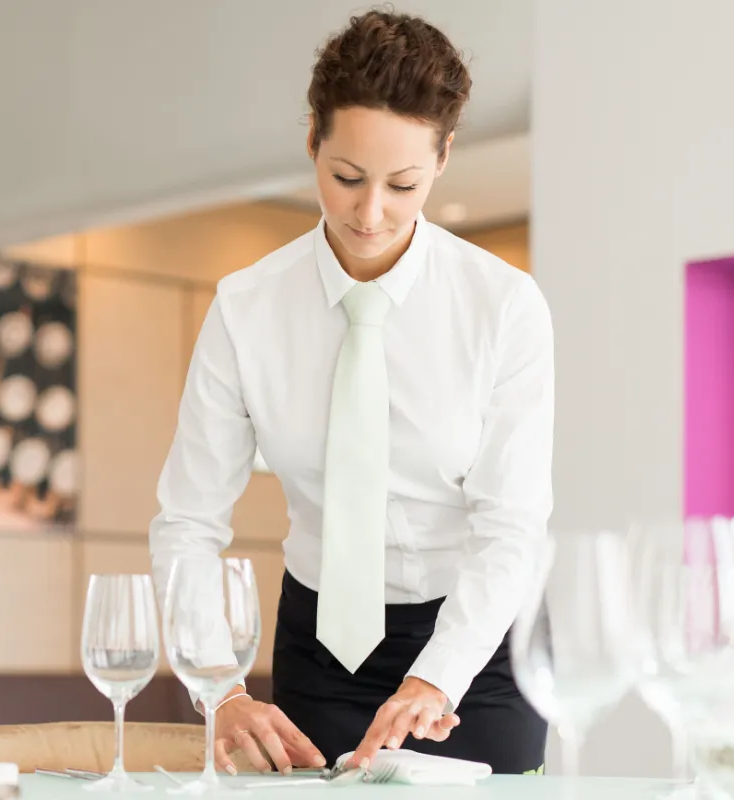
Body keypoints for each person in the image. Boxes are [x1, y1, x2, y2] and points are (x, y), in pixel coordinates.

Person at [147, 8, 554, 778]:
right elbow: (188, 522)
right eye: (346, 177)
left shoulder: (503, 307)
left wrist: (437, 676)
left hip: (479, 652)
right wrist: (218, 689)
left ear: (443, 157)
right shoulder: (245, 309)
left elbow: (512, 525)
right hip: (324, 652)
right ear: (312, 139)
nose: (370, 214)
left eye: (402, 185)